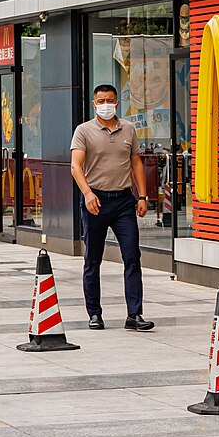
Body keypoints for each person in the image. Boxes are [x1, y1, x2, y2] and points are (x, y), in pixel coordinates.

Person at [69, 83, 153, 331]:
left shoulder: (128, 129)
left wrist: (143, 196)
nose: (106, 105)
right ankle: (94, 313)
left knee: (132, 256)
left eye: (111, 100)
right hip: (95, 202)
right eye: (101, 101)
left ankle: (134, 315)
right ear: (95, 104)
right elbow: (75, 166)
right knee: (93, 260)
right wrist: (87, 194)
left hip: (124, 202)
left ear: (117, 103)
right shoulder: (84, 131)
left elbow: (136, 162)